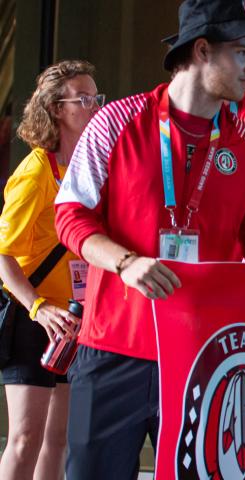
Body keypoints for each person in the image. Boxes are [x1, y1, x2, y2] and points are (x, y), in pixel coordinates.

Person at [53, 1, 245, 477]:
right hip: (113, 347)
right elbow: (71, 216)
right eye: (243, 53)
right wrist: (126, 263)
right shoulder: (118, 121)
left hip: (201, 353)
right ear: (202, 50)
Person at [0, 59, 99, 480]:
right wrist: (38, 307)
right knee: (25, 438)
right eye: (84, 99)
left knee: (58, 439)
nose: (95, 106)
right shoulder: (36, 170)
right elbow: (3, 255)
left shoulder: (90, 169)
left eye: (98, 97)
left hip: (74, 320)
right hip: (34, 317)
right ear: (57, 108)